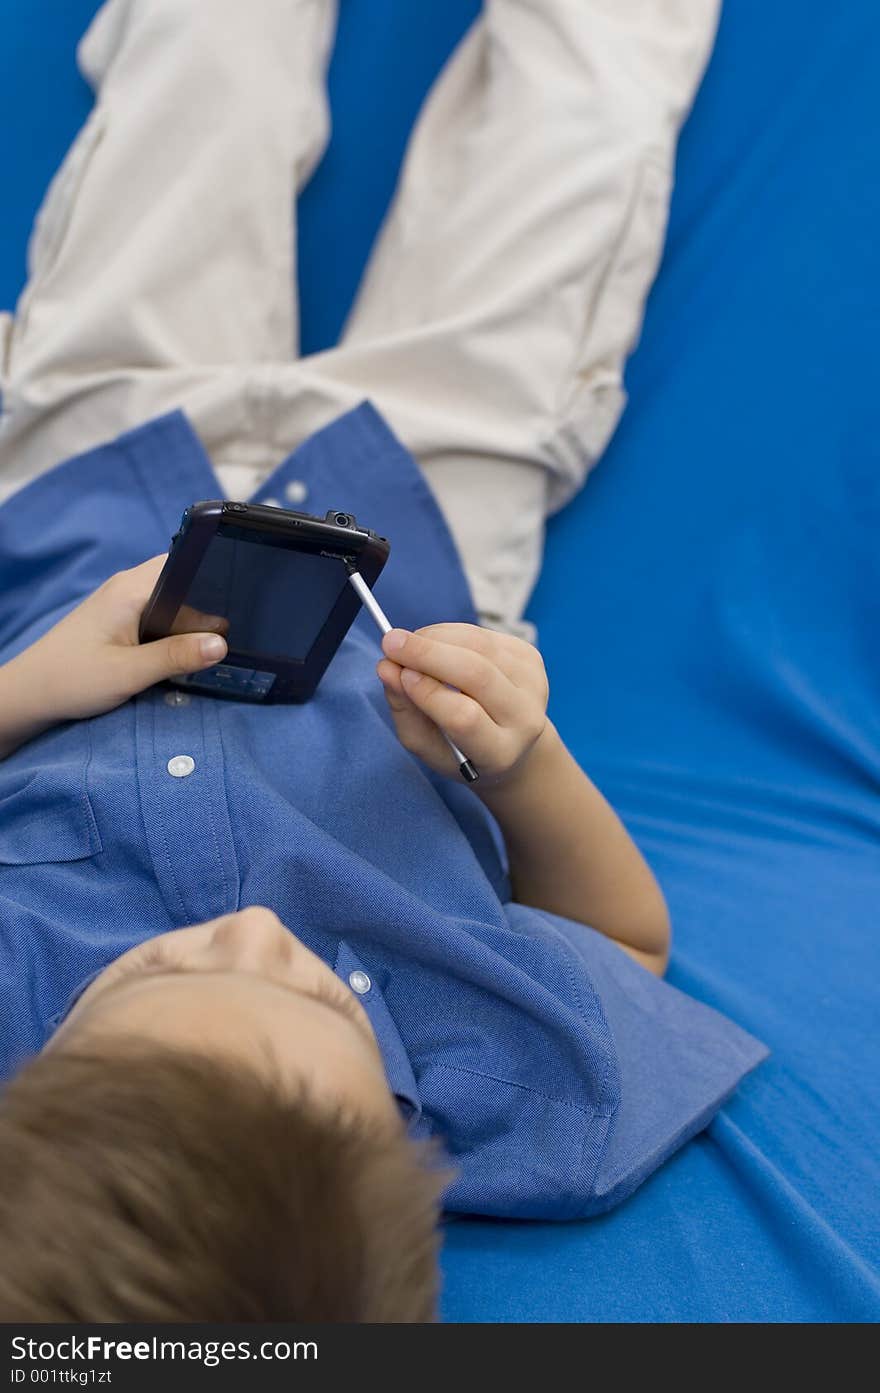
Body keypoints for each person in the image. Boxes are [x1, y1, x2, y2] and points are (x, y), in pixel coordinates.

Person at [0, 0, 764, 1322]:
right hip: (415, 519)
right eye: (310, 988)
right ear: (419, 1157)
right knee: (578, 126)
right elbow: (628, 941)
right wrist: (522, 764)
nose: (247, 933)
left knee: (206, 58)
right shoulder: (530, 1096)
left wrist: (29, 690)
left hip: (86, 479)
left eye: (155, 971)